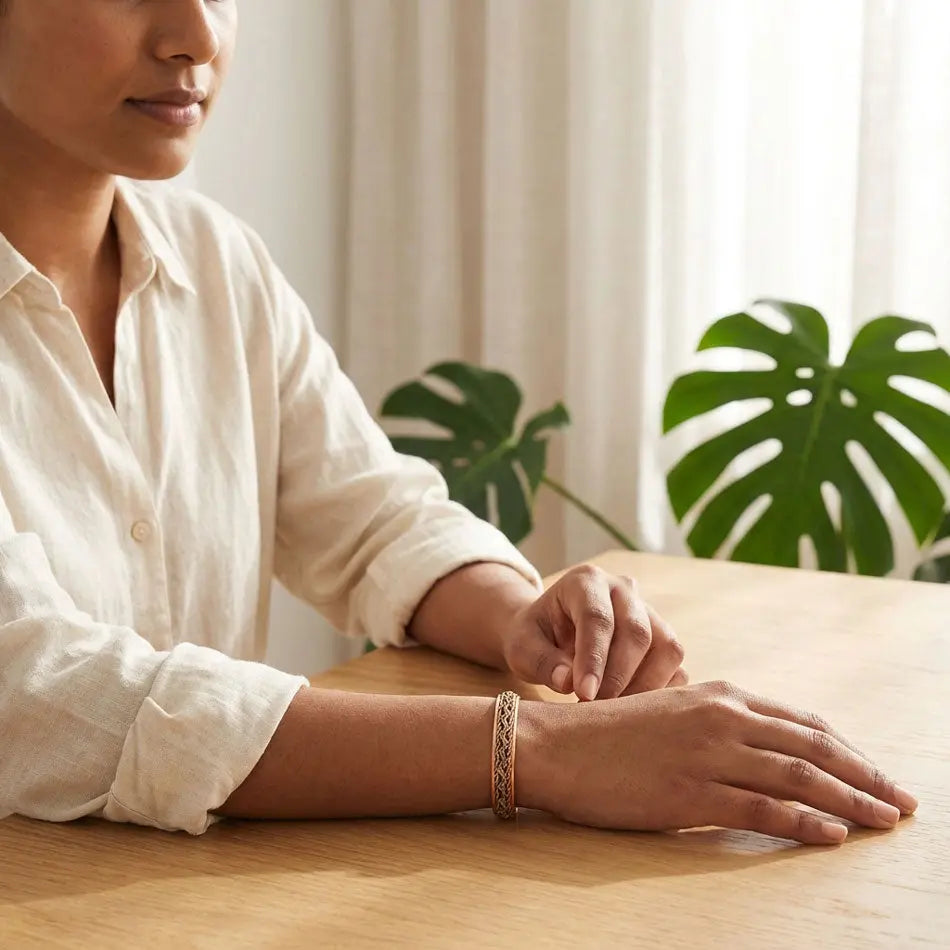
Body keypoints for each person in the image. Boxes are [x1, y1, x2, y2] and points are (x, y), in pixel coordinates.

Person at [0, 0, 916, 845]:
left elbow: (371, 520)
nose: (195, 32)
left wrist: (525, 619)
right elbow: (41, 692)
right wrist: (541, 750)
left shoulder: (214, 259)